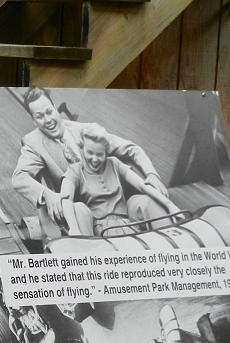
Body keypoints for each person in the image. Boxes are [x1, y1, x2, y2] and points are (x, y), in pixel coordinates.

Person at [10, 87, 167, 233]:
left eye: (49, 112)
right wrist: (46, 194)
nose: (48, 119)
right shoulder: (33, 142)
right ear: (33, 121)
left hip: (112, 204)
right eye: (40, 116)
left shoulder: (85, 130)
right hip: (77, 210)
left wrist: (151, 174)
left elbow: (131, 149)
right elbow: (19, 177)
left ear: (55, 108)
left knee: (147, 202)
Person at [58, 125, 177, 237]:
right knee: (78, 207)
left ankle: (171, 236)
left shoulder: (114, 163)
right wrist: (73, 228)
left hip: (128, 222)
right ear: (82, 147)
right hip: (101, 230)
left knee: (143, 200)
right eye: (89, 152)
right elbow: (65, 198)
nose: (95, 159)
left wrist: (169, 205)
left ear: (106, 153)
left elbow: (142, 186)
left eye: (100, 154)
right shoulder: (75, 170)